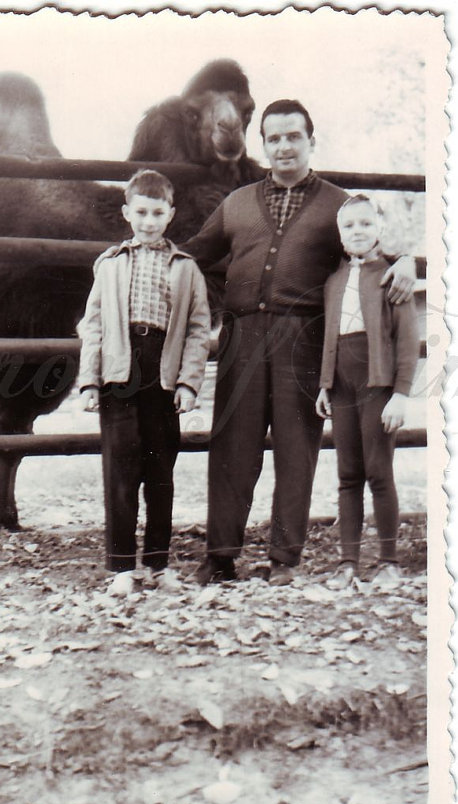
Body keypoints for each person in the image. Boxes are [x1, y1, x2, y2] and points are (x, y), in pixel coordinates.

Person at [182, 98, 416, 586]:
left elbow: (367, 246)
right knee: (232, 447)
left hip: (303, 340)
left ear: (312, 141)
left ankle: (285, 560)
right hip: (242, 336)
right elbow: (192, 256)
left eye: (294, 136)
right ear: (262, 144)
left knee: (296, 450)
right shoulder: (237, 203)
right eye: (274, 138)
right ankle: (221, 557)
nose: (284, 146)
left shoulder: (336, 204)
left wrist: (405, 260)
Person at [78, 169, 211, 576]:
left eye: (157, 213)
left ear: (170, 214)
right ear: (126, 212)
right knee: (120, 469)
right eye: (141, 212)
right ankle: (121, 568)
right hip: (119, 370)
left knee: (159, 471)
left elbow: (197, 328)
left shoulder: (186, 268)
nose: (149, 221)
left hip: (163, 371)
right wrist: (89, 381)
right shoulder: (112, 264)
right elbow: (94, 324)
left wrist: (189, 382)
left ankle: (155, 564)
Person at [315, 194, 419, 585]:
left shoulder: (393, 276)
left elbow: (407, 340)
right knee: (347, 474)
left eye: (365, 223)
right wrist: (325, 384)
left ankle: (389, 561)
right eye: (349, 226)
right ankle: (348, 563)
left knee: (379, 472)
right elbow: (330, 338)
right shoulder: (334, 281)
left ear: (380, 229)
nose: (357, 231)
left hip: (377, 386)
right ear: (340, 235)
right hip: (342, 388)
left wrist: (401, 393)